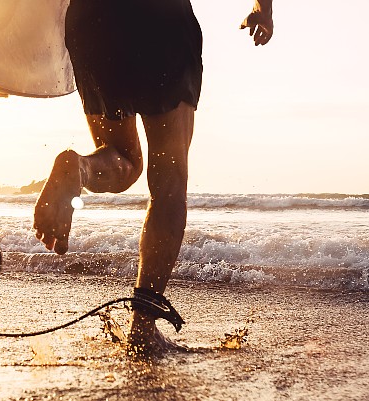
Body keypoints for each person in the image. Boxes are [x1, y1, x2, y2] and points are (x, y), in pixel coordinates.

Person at [34, 0, 274, 353]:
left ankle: (81, 167)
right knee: (168, 185)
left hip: (93, 21)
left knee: (122, 159)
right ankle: (142, 327)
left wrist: (12, 57)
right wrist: (263, 9)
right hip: (161, 20)